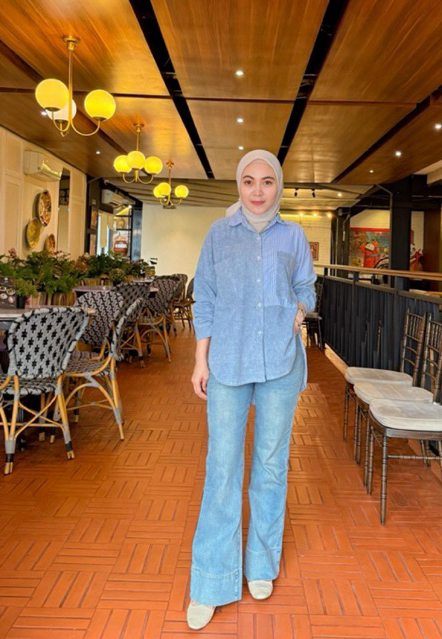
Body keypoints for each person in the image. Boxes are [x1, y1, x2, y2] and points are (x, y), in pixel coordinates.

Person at [188, 149, 316, 630]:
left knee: (270, 466)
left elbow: (307, 286)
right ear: (238, 186)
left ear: (277, 185)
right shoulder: (219, 234)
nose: (257, 190)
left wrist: (297, 311)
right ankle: (211, 580)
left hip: (280, 362)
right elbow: (205, 299)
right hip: (227, 363)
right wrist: (199, 360)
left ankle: (261, 563)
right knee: (221, 468)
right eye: (249, 181)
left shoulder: (293, 235)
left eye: (266, 181)